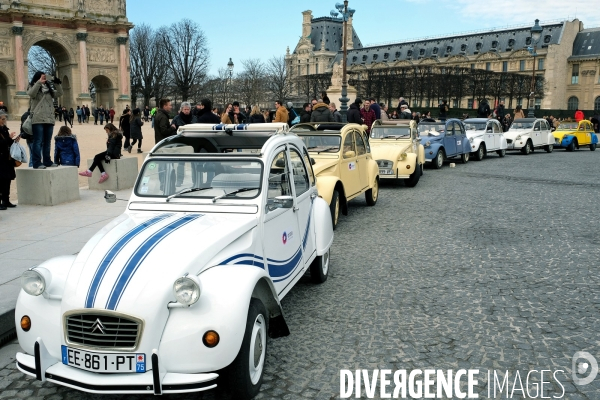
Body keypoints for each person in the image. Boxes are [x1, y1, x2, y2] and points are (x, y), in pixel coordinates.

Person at [27, 71, 62, 169]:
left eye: (45, 78)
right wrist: (39, 82)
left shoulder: (49, 90)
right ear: (37, 78)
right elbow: (31, 94)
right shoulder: (32, 86)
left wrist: (57, 83)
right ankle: (36, 162)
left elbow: (60, 93)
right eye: (42, 77)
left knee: (47, 141)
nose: (44, 79)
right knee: (38, 141)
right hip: (38, 118)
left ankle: (47, 161)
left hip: (49, 118)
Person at [0, 111, 18, 209]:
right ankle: (1, 202)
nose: (4, 121)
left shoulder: (4, 129)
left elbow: (6, 143)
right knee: (1, 181)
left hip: (6, 159)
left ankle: (6, 201)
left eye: (5, 119)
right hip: (1, 159)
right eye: (2, 119)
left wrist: (13, 140)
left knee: (7, 180)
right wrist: (9, 139)